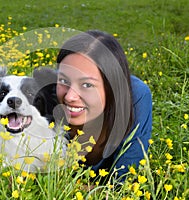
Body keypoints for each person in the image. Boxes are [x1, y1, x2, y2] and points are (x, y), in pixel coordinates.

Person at [55, 30, 152, 182]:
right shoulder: (45, 95)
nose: (69, 96)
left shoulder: (136, 96)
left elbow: (123, 183)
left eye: (87, 84)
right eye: (64, 80)